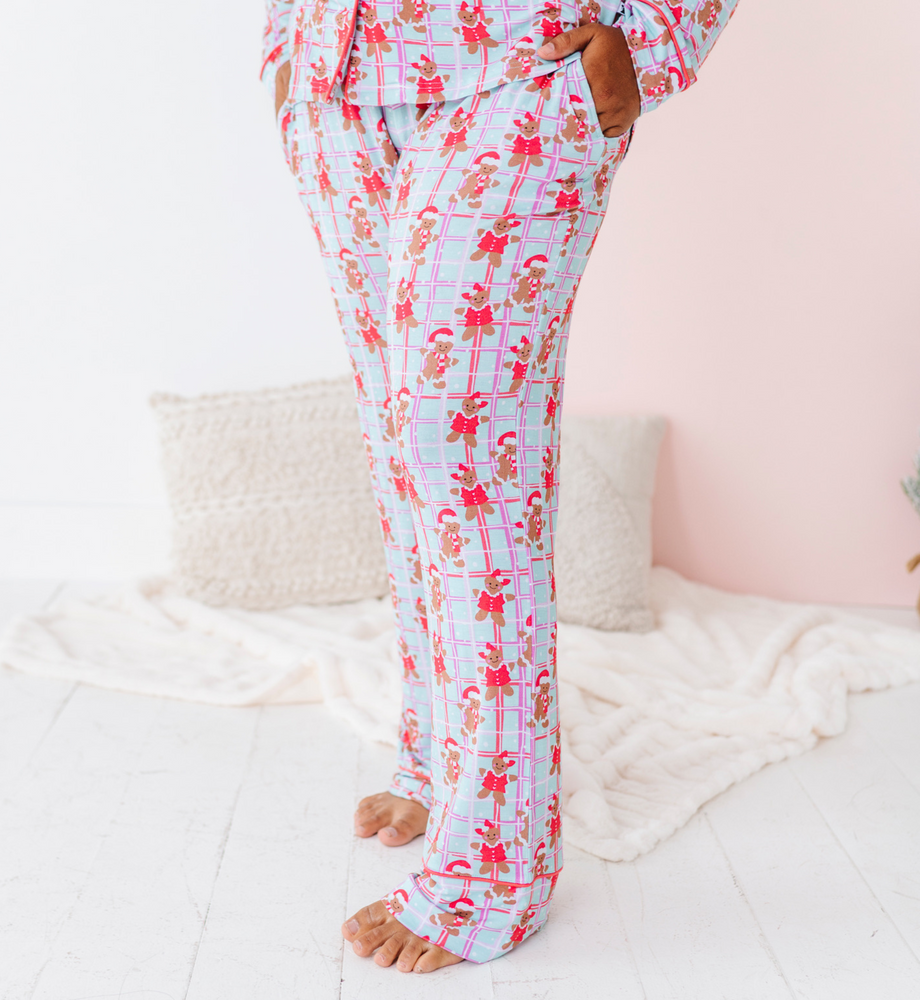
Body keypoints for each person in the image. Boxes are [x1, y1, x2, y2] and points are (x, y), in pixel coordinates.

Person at [262, 0, 738, 973]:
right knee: (404, 450)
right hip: (337, 77)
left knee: (464, 461)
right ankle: (437, 764)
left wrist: (650, 42)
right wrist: (285, 37)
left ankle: (493, 865)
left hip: (520, 73)